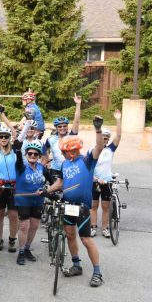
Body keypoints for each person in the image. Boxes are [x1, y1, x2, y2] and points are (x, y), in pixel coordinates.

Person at [45, 116, 107, 287]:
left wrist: (98, 129)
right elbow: (61, 182)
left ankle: (97, 273)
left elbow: (99, 147)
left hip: (83, 208)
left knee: (86, 239)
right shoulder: (66, 164)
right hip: (67, 205)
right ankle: (76, 265)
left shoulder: (87, 160)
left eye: (64, 151)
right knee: (70, 235)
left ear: (71, 150)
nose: (63, 154)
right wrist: (46, 190)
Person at [13, 140, 49, 265]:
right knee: (24, 226)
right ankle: (21, 251)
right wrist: (18, 151)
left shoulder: (41, 167)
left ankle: (27, 248)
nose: (32, 156)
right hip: (23, 199)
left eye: (35, 154)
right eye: (30, 153)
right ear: (26, 154)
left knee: (34, 225)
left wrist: (48, 189)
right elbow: (18, 161)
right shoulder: (22, 166)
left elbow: (52, 180)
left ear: (39, 156)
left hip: (38, 200)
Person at [91, 110, 122, 238]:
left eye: (107, 138)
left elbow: (119, 136)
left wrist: (118, 119)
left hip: (107, 181)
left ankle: (105, 228)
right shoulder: (92, 150)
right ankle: (93, 227)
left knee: (105, 207)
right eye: (103, 137)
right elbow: (89, 168)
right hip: (94, 181)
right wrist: (96, 178)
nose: (105, 140)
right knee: (93, 206)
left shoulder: (110, 150)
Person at [0, 125, 19, 253]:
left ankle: (12, 239)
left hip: (13, 187)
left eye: (6, 136)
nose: (3, 138)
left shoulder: (15, 151)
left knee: (13, 215)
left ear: (9, 138)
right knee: (0, 215)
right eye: (1, 136)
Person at [43, 94, 82, 180]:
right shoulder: (51, 139)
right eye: (59, 127)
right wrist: (47, 161)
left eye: (64, 126)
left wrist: (78, 104)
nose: (62, 128)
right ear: (56, 128)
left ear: (67, 127)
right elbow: (44, 150)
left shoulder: (71, 137)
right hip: (55, 169)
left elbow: (77, 121)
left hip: (69, 168)